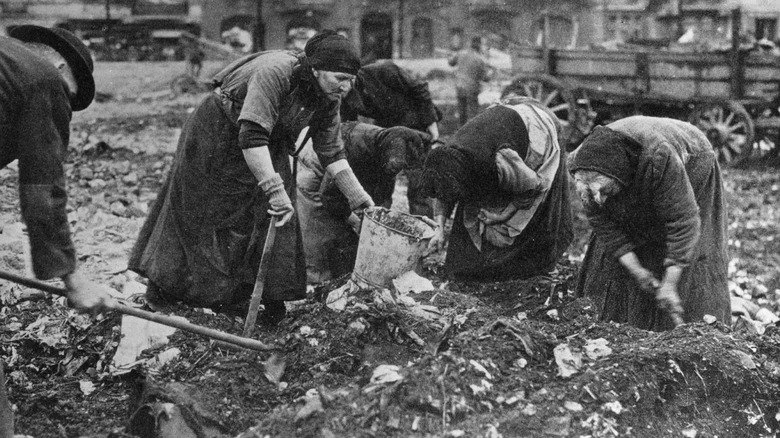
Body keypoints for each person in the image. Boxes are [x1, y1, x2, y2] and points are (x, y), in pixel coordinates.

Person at [128, 30, 374, 324]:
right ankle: (164, 291)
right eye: (339, 79)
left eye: (351, 80)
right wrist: (274, 189)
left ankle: (257, 298)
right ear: (316, 69)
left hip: (267, 141)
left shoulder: (329, 95)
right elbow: (252, 135)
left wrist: (359, 199)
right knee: (203, 213)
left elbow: (332, 151)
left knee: (276, 216)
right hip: (219, 132)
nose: (346, 88)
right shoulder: (275, 72)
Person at [0, 24, 115, 437]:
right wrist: (73, 277)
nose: (63, 105)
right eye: (71, 93)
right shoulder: (43, 78)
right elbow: (42, 188)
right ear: (62, 65)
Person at [569, 116, 730, 331]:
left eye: (606, 191)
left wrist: (670, 284)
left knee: (694, 253)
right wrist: (638, 271)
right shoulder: (584, 169)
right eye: (591, 194)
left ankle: (694, 328)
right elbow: (603, 224)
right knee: (615, 257)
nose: (600, 200)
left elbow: (683, 221)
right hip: (634, 166)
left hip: (693, 159)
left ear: (620, 175)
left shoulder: (659, 157)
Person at [413, 98, 573, 281]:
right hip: (502, 123)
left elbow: (533, 187)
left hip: (537, 127)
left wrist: (503, 215)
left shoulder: (502, 159)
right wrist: (439, 229)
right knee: (469, 235)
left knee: (533, 218)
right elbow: (443, 192)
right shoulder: (448, 157)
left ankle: (535, 271)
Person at [297, 122, 431, 283]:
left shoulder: (389, 152)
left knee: (349, 233)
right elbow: (328, 195)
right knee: (320, 223)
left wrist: (375, 225)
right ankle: (316, 281)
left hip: (342, 163)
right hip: (315, 159)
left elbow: (382, 195)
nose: (398, 170)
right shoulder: (357, 150)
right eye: (396, 166)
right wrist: (355, 220)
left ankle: (342, 274)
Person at [448, 36, 492, 126]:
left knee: (462, 112)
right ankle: (471, 133)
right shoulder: (480, 59)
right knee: (473, 113)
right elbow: (485, 78)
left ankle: (461, 131)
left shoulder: (461, 53)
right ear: (479, 45)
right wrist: (491, 72)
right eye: (483, 45)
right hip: (471, 88)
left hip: (459, 86)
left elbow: (451, 63)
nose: (485, 47)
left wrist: (451, 55)